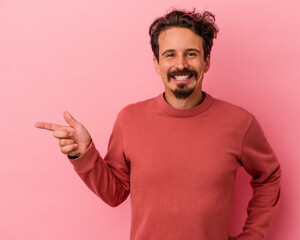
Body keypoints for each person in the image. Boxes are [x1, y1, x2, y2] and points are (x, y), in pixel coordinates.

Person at [35, 9, 281, 240]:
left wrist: (252, 236)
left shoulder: (239, 123)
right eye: (170, 54)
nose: (181, 64)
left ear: (206, 61)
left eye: (191, 54)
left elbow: (269, 175)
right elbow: (115, 194)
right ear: (157, 63)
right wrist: (84, 153)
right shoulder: (129, 119)